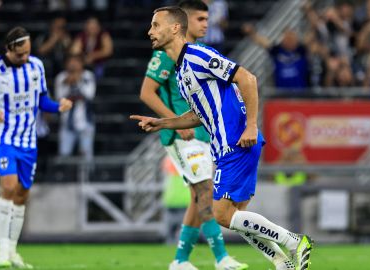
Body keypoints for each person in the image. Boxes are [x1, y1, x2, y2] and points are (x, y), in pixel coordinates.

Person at [131, 6, 313, 270]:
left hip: (237, 142)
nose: (150, 32)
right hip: (227, 145)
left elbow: (247, 78)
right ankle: (283, 263)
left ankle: (294, 241)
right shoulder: (182, 73)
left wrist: (251, 126)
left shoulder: (197, 55)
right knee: (236, 216)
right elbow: (198, 114)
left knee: (221, 214)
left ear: (174, 28)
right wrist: (163, 123)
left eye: (156, 25)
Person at [139, 1, 247, 269]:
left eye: (207, 19)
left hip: (203, 134)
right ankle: (222, 258)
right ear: (182, 22)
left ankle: (180, 260)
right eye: (200, 19)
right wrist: (172, 122)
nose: (206, 24)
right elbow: (146, 92)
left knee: (197, 198)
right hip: (183, 137)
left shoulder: (197, 53)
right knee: (205, 192)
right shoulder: (166, 54)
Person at [0, 26, 73, 268]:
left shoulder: (36, 67)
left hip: (28, 140)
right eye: (20, 54)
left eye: (28, 52)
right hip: (4, 138)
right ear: (9, 49)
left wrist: (57, 106)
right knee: (8, 187)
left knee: (22, 195)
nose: (25, 57)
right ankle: (2, 251)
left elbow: (41, 100)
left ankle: (12, 251)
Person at [55, 54, 96, 160]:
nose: (73, 65)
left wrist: (78, 81)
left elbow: (90, 95)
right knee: (64, 154)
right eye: (70, 62)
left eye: (76, 62)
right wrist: (69, 84)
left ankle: (86, 177)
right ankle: (65, 176)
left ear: (81, 64)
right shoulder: (61, 78)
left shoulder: (88, 76)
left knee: (86, 156)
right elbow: (59, 98)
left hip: (85, 122)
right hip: (67, 123)